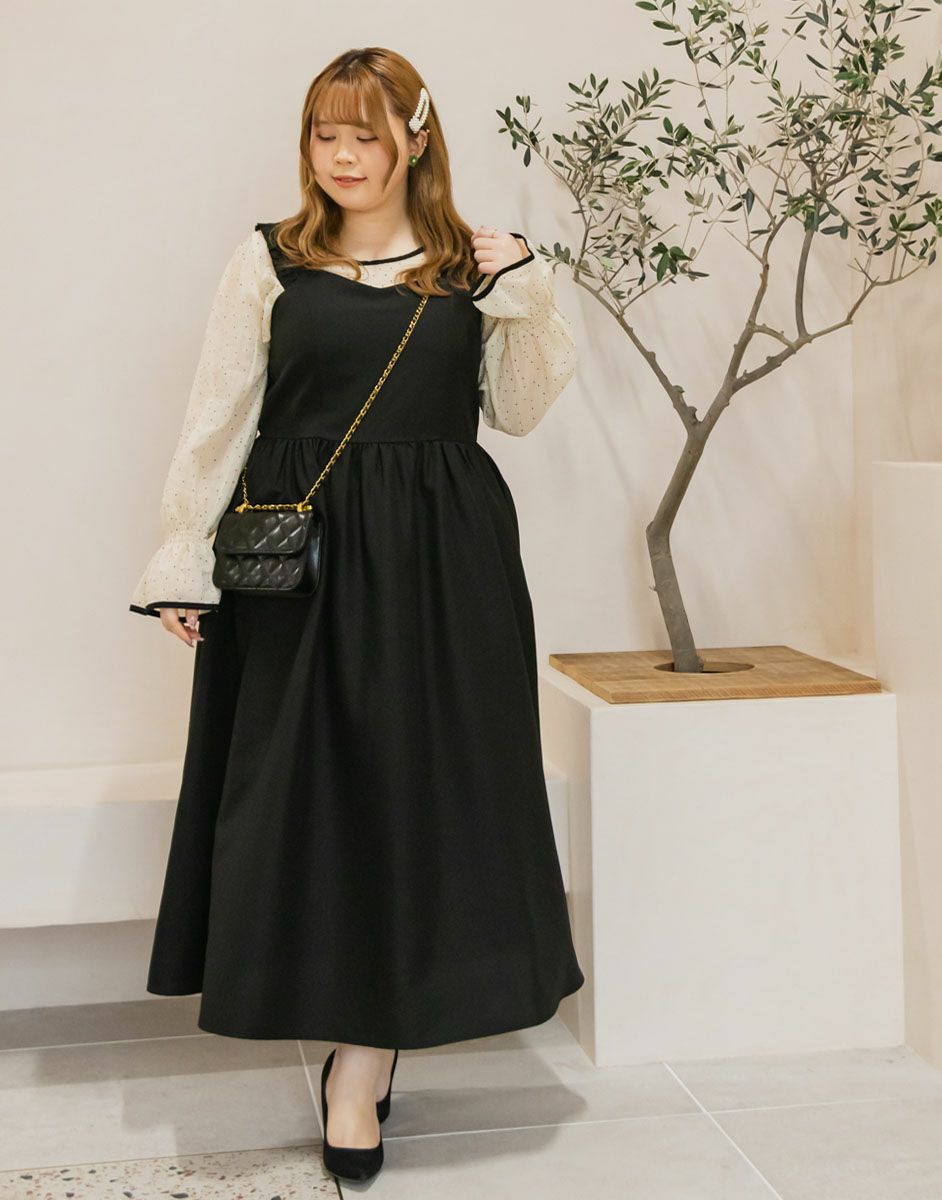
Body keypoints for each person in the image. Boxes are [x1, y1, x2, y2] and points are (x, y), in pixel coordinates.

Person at [128, 46, 584, 1184]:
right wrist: (182, 557)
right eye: (324, 135)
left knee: (417, 793)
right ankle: (343, 1030)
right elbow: (219, 412)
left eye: (365, 136)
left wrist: (526, 289)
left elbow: (520, 409)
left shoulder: (470, 266)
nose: (341, 156)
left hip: (442, 559)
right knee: (306, 797)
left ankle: (360, 1064)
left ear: (415, 141)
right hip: (301, 561)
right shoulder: (271, 258)